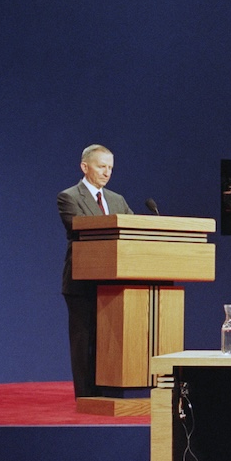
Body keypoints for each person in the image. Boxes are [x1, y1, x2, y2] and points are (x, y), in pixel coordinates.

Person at [57, 144, 134, 399]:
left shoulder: (117, 200)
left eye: (110, 167)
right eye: (102, 166)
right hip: (82, 282)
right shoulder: (69, 197)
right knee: (84, 341)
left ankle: (108, 392)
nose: (107, 172)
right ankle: (86, 396)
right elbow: (79, 228)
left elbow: (134, 231)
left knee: (109, 342)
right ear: (85, 167)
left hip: (114, 283)